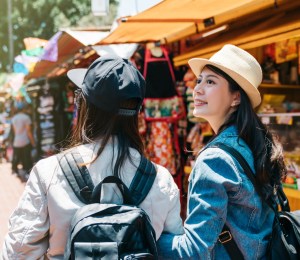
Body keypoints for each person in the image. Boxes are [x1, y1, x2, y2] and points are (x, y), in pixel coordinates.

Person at [2, 55, 183, 259]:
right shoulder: (161, 179)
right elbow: (172, 250)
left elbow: (18, 251)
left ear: (85, 107)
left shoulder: (49, 172)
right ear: (137, 113)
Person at [157, 44, 287, 259]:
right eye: (199, 80)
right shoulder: (253, 145)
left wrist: (146, 236)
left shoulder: (214, 159)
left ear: (236, 98)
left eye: (210, 82)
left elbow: (194, 251)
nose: (197, 89)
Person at [10, 101, 35, 178]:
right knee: (27, 157)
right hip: (25, 141)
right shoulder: (26, 118)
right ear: (24, 109)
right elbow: (29, 131)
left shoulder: (14, 118)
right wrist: (33, 142)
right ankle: (28, 172)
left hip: (17, 140)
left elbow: (14, 131)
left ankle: (15, 171)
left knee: (16, 157)